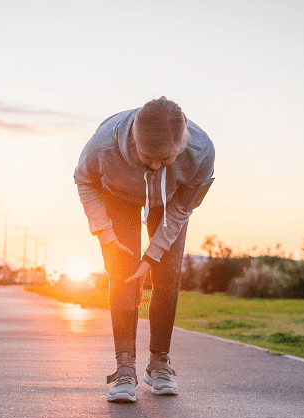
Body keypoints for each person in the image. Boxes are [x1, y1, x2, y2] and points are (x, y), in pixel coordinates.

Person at [74, 97, 215, 402]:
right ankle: (125, 369)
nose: (154, 166)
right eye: (146, 157)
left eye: (165, 160)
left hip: (169, 202)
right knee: (122, 273)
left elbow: (181, 210)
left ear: (181, 146)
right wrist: (107, 236)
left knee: (168, 274)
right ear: (134, 139)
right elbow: (84, 180)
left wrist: (152, 256)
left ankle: (159, 364)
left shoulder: (201, 152)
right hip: (118, 197)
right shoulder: (103, 146)